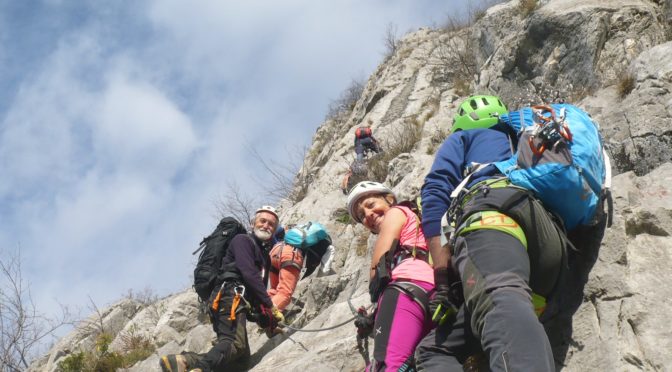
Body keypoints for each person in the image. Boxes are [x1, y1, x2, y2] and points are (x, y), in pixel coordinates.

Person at [415, 95, 567, 371]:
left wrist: (441, 274)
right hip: (548, 246)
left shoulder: (463, 139)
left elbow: (435, 191)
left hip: (492, 220)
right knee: (432, 349)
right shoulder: (522, 136)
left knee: (502, 299)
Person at [160, 206, 285, 372]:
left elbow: (256, 296)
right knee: (233, 342)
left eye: (271, 224)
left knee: (240, 361)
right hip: (229, 295)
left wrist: (268, 323)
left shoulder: (264, 259)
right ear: (253, 223)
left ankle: (183, 361)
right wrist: (270, 304)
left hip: (236, 300)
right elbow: (248, 274)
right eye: (263, 221)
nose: (266, 226)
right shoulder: (242, 240)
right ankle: (202, 369)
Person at [346, 181, 435, 371]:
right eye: (362, 215)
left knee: (386, 365)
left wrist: (374, 288)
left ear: (390, 200)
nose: (368, 214)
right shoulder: (415, 221)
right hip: (430, 292)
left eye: (371, 205)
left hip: (405, 290)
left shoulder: (396, 212)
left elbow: (379, 267)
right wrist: (373, 318)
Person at [268, 222, 335, 312]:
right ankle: (267, 317)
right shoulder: (327, 245)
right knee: (284, 293)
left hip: (276, 250)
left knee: (274, 290)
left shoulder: (303, 230)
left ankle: (258, 309)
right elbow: (324, 268)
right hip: (291, 254)